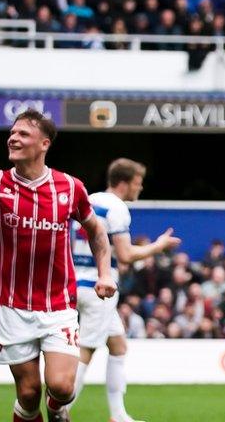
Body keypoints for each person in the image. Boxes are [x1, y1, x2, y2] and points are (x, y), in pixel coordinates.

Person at [0, 111, 117, 422]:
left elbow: (96, 230)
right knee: (27, 395)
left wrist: (105, 273)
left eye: (23, 134)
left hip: (57, 305)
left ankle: (57, 407)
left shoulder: (70, 187)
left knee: (62, 386)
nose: (13, 138)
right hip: (12, 306)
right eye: (12, 133)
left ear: (44, 144)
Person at [69, 158, 181, 422]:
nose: (139, 189)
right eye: (137, 183)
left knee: (117, 345)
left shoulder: (88, 199)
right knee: (86, 350)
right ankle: (60, 411)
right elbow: (126, 255)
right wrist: (158, 246)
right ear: (124, 183)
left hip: (76, 282)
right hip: (101, 287)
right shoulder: (117, 208)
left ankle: (118, 415)